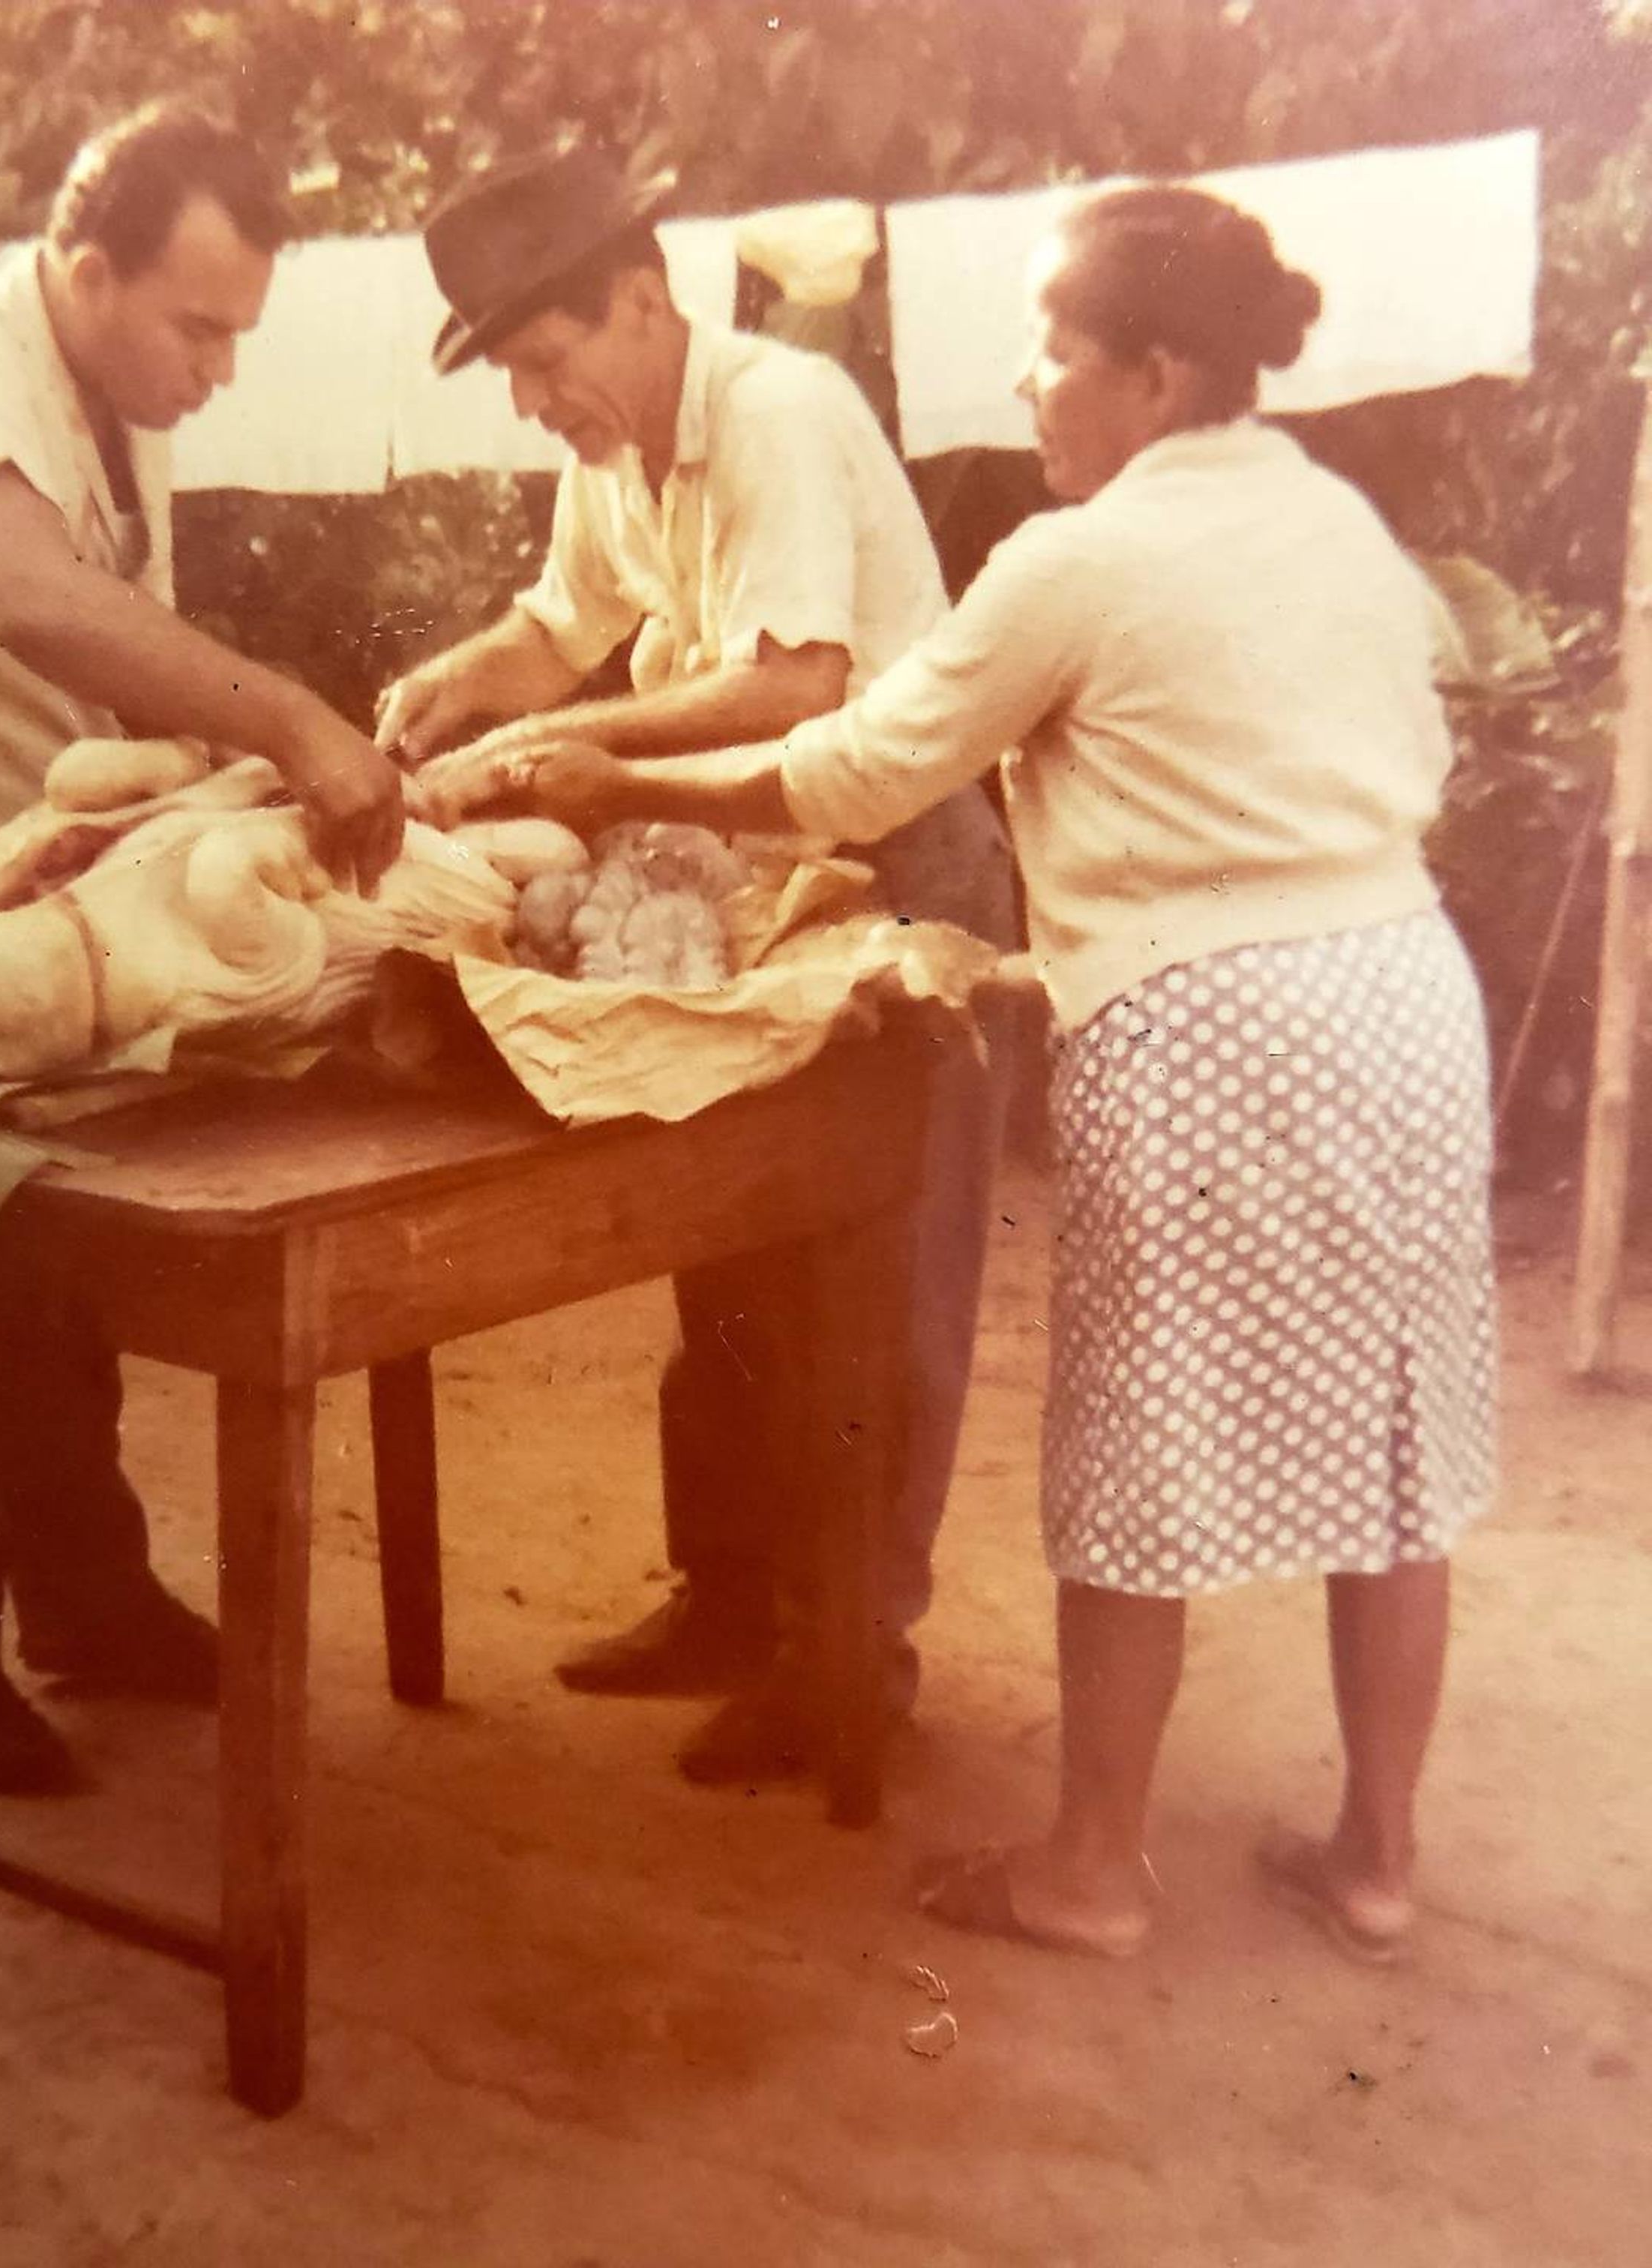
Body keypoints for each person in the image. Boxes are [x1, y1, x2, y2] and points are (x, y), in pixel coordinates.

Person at [513, 182, 1495, 1961]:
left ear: (1160, 372)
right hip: (1404, 994)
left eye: (1058, 352)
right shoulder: (1336, 521)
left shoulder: (1084, 557)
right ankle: (1378, 1854)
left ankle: (1093, 1872)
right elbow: (1404, 737)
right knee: (1396, 1438)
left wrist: (618, 779)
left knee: (1136, 1451)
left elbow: (854, 769)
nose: (1030, 384)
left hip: (1211, 1020)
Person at [0, 103, 404, 1796]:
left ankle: (86, 1599)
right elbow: (34, 598)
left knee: (71, 1218)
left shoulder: (124, 410)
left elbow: (116, 675)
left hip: (22, 846)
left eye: (240, 331)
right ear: (84, 267)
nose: (220, 369)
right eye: (199, 326)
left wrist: (228, 792)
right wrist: (300, 722)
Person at [379, 146, 1018, 1784]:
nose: (536, 403)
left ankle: (853, 1656)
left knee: (882, 1289)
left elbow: (790, 685)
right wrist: (461, 687)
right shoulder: (619, 447)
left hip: (898, 876)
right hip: (752, 883)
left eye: (547, 360)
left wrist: (534, 750)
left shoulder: (779, 412)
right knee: (730, 1255)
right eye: (513, 373)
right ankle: (737, 1604)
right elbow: (557, 628)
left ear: (643, 301)